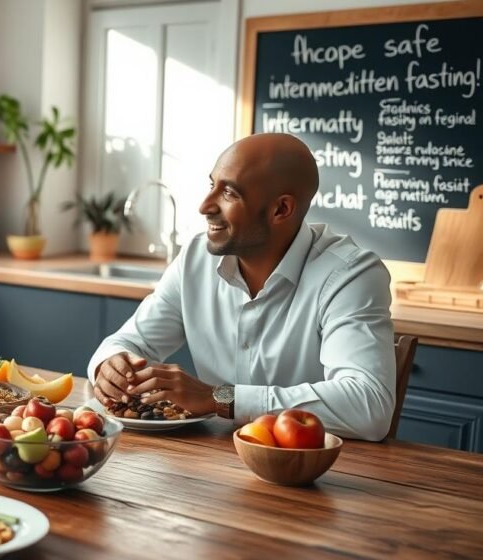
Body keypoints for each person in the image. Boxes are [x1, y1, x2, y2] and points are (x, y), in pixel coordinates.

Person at [88, 133, 396, 441]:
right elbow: (129, 342)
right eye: (212, 186)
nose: (205, 206)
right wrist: (110, 366)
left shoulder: (350, 274)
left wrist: (220, 398)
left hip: (317, 475)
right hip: (211, 463)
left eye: (230, 193)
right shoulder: (195, 258)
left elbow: (368, 406)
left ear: (281, 210)